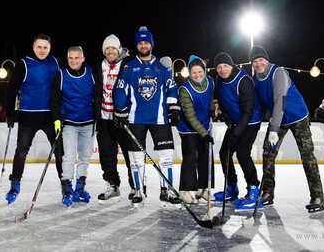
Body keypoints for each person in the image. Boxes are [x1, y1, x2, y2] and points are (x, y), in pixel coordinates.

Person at [250, 45, 324, 213]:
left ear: (266, 60)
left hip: (298, 116)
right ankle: (268, 193)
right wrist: (270, 119)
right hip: (279, 119)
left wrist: (273, 129)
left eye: (261, 60)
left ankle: (317, 196)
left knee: (307, 155)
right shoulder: (255, 79)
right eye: (255, 61)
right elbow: (262, 104)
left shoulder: (278, 73)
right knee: (267, 154)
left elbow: (280, 101)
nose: (258, 63)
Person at [113, 26, 181, 207]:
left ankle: (167, 191)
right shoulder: (129, 66)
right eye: (140, 43)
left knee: (166, 156)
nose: (143, 45)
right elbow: (120, 89)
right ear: (137, 45)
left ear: (151, 44)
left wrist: (173, 106)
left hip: (160, 118)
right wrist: (120, 110)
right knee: (135, 158)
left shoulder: (162, 66)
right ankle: (139, 190)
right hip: (135, 119)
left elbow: (171, 86)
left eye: (146, 42)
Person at [4, 34, 63, 205]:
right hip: (28, 116)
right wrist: (9, 113)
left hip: (51, 117)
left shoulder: (56, 62)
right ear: (33, 47)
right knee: (21, 151)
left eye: (45, 47)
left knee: (60, 152)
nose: (42, 50)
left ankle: (65, 184)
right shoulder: (23, 64)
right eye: (39, 47)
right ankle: (15, 184)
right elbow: (11, 89)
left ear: (49, 48)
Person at [213, 52, 263, 210]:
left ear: (232, 65)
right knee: (224, 153)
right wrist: (229, 123)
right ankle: (232, 187)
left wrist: (235, 133)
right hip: (235, 122)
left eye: (225, 66)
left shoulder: (244, 80)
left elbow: (248, 111)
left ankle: (254, 190)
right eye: (219, 67)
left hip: (251, 121)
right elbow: (221, 101)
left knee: (242, 153)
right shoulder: (219, 80)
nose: (222, 70)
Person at [50, 46, 95, 207]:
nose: (74, 61)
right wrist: (56, 120)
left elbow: (98, 95)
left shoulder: (91, 73)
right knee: (68, 156)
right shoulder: (61, 75)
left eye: (77, 58)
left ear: (83, 59)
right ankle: (66, 188)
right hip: (69, 123)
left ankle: (80, 187)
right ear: (67, 59)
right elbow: (54, 100)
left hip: (88, 122)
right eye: (71, 58)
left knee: (85, 156)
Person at [93, 34, 135, 204]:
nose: (110, 51)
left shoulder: (128, 65)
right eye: (107, 48)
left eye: (113, 48)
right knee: (106, 156)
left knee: (131, 154)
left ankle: (136, 186)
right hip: (104, 119)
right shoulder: (98, 66)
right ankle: (113, 185)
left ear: (119, 49)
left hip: (124, 118)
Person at [176, 55, 215, 204]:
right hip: (187, 127)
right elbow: (190, 117)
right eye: (194, 73)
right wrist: (205, 134)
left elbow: (210, 98)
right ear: (190, 74)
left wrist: (211, 109)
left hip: (204, 124)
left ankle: (202, 189)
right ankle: (184, 190)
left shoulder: (210, 82)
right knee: (191, 156)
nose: (198, 76)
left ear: (204, 71)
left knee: (206, 155)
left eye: (200, 72)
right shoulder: (185, 90)